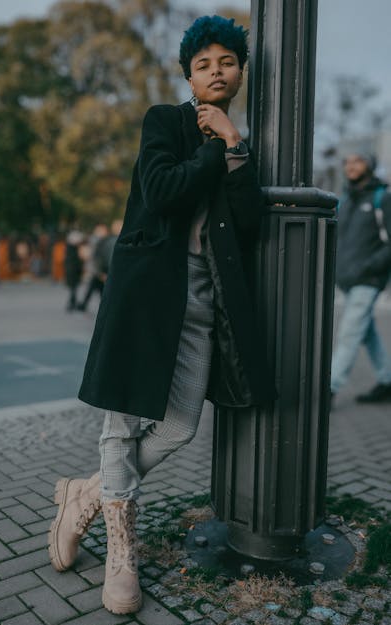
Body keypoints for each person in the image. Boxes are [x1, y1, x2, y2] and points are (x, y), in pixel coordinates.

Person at [48, 15, 276, 615]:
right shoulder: (165, 122)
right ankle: (122, 554)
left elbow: (249, 224)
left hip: (205, 302)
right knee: (121, 428)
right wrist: (211, 147)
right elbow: (160, 190)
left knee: (180, 427)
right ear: (189, 76)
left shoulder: (237, 141)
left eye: (227, 62)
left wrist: (235, 147)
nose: (216, 71)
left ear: (241, 71)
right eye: (203, 65)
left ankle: (85, 496)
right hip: (150, 295)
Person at [331, 152, 391, 403]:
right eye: (348, 161)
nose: (351, 165)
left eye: (358, 161)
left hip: (368, 280)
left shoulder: (382, 198)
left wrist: (368, 267)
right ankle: (387, 380)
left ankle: (329, 388)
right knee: (366, 332)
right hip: (347, 280)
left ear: (369, 165)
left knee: (349, 332)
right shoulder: (345, 200)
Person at [76, 223, 109, 311]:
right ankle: (104, 306)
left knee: (96, 287)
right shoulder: (97, 240)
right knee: (99, 287)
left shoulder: (98, 240)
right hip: (97, 268)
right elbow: (95, 256)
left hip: (96, 268)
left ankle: (84, 304)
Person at [64, 229, 84, 312]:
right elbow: (75, 260)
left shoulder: (71, 248)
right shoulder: (71, 248)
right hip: (73, 270)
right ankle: (72, 303)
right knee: (73, 287)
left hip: (73, 269)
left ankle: (73, 302)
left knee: (74, 288)